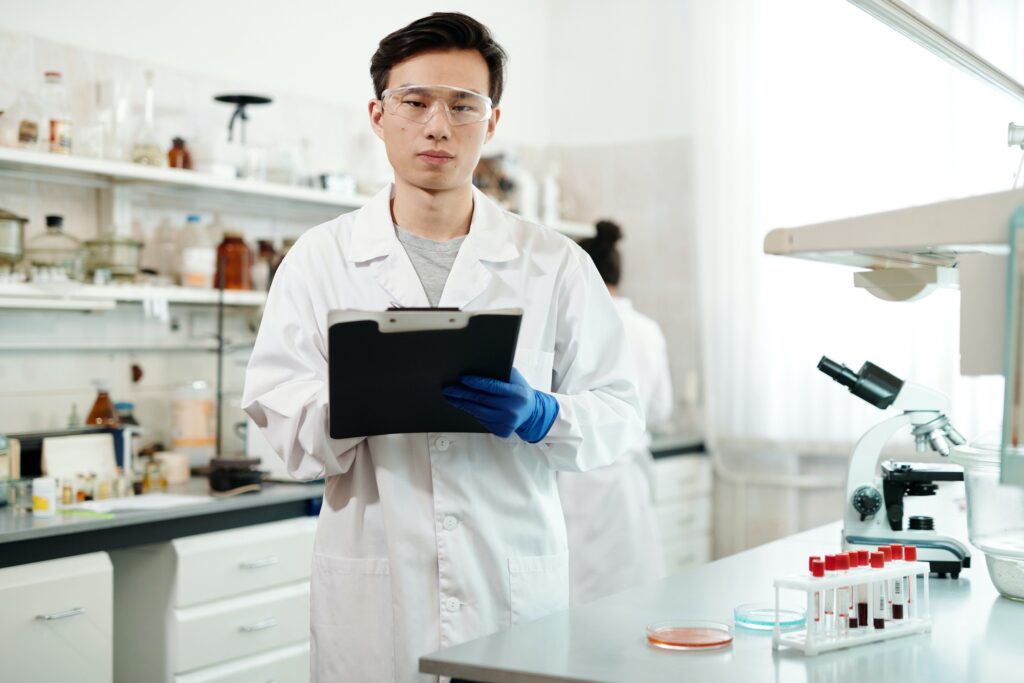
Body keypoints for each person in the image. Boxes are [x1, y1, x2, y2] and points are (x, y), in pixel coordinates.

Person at [241, 13, 644, 683]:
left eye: (463, 106)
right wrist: (354, 401)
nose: (438, 126)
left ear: (491, 122)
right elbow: (277, 422)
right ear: (378, 113)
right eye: (416, 102)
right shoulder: (319, 259)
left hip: (509, 586)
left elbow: (621, 415)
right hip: (375, 587)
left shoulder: (553, 263)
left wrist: (544, 413)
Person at [557, 220, 673, 606]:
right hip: (627, 479)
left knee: (581, 603)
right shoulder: (647, 329)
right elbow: (659, 409)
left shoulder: (572, 327)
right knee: (635, 598)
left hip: (579, 481)